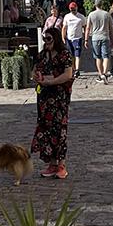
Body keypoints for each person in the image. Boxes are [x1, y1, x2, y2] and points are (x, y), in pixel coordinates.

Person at [31, 27, 74, 180]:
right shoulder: (42, 55)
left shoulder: (64, 54)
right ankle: (52, 164)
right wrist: (37, 77)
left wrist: (52, 81)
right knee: (46, 128)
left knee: (59, 129)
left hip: (59, 97)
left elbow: (68, 74)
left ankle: (61, 165)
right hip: (44, 98)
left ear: (55, 39)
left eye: (49, 39)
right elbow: (34, 70)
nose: (46, 42)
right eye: (45, 39)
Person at [85, 0, 113, 83]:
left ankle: (101, 74)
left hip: (95, 38)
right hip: (105, 37)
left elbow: (88, 28)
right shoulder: (107, 14)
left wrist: (86, 39)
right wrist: (112, 39)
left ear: (95, 5)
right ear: (102, 5)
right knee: (106, 56)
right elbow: (111, 28)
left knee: (98, 57)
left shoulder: (91, 14)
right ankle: (105, 73)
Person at [61, 2, 86, 73]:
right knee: (71, 55)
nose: (73, 11)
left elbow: (85, 26)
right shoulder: (67, 16)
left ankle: (77, 69)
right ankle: (73, 69)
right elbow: (64, 28)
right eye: (71, 9)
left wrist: (85, 37)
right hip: (69, 38)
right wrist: (63, 37)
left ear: (77, 8)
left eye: (74, 9)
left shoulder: (81, 17)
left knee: (77, 54)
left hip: (78, 38)